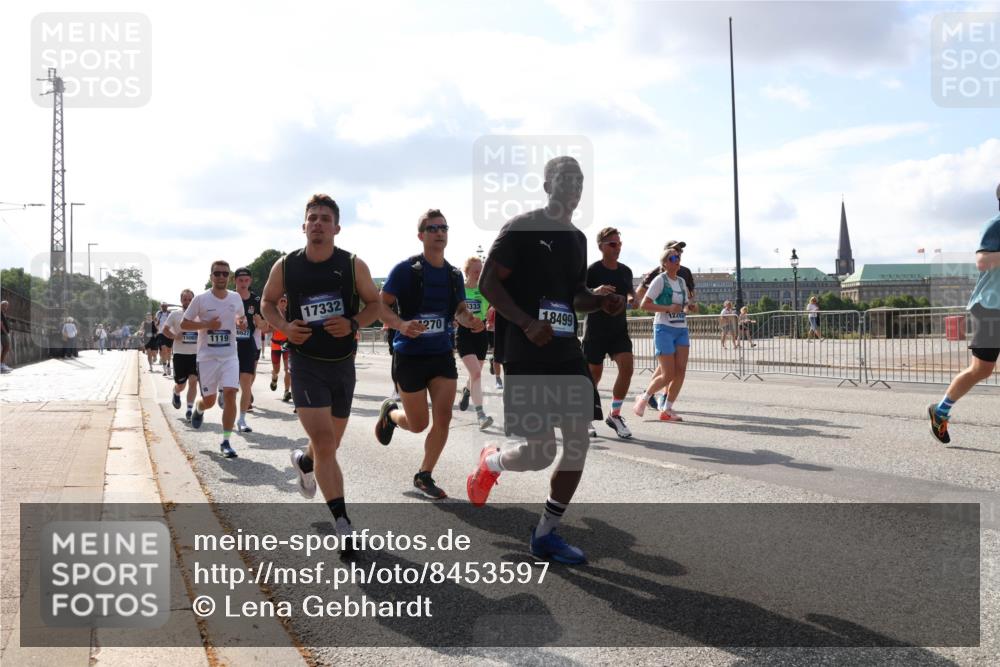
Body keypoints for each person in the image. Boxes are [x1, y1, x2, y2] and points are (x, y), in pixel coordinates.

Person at [468, 156, 624, 564]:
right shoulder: (521, 228)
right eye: (565, 179)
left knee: (577, 443)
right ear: (547, 185)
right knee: (540, 453)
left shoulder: (577, 239)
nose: (574, 187)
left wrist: (600, 302)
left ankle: (545, 534)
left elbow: (574, 295)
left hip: (566, 351)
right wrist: (524, 322)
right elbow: (488, 284)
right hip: (525, 352)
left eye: (579, 181)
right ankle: (493, 462)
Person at [262, 193, 382, 554]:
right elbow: (267, 303)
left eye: (325, 219)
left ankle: (304, 462)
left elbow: (375, 304)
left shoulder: (352, 265)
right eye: (312, 218)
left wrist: (353, 323)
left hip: (342, 364)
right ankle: (343, 524)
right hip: (305, 364)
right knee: (327, 443)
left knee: (328, 446)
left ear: (336, 228)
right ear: (303, 226)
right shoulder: (286, 266)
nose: (318, 223)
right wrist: (285, 326)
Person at [376, 209, 484, 500]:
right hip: (409, 355)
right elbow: (380, 305)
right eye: (433, 228)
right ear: (421, 235)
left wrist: (469, 320)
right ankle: (391, 414)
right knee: (418, 424)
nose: (439, 232)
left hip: (440, 354)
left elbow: (459, 310)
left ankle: (424, 475)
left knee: (444, 417)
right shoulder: (405, 270)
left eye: (444, 228)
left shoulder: (453, 274)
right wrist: (401, 324)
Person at [929, 184, 1000, 444]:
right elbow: (982, 262)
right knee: (981, 370)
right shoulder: (995, 225)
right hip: (991, 306)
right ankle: (940, 411)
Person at [182, 260, 247, 458]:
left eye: (225, 274)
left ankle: (226, 441)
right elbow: (185, 324)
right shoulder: (201, 299)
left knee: (230, 394)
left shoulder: (235, 298)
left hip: (230, 356)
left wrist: (241, 322)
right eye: (217, 273)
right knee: (209, 401)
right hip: (207, 358)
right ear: (211, 276)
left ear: (229, 277)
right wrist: (207, 325)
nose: (221, 277)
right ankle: (199, 407)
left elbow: (240, 317)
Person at [633, 246, 698, 422]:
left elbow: (684, 305)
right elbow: (644, 304)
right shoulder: (660, 280)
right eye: (672, 258)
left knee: (681, 371)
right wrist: (668, 308)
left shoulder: (681, 281)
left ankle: (667, 409)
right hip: (664, 328)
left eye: (678, 257)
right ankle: (644, 397)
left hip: (681, 328)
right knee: (668, 374)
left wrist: (690, 306)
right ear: (664, 263)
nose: (677, 260)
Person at [583, 226, 635, 439]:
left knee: (627, 367)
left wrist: (631, 298)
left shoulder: (625, 271)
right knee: (594, 375)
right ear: (601, 247)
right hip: (596, 330)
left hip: (618, 329)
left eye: (619, 244)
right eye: (613, 244)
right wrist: (594, 292)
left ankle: (614, 415)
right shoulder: (592, 271)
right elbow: (579, 295)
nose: (617, 248)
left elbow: (630, 290)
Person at [456, 256, 495, 431]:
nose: (479, 273)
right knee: (477, 373)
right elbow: (454, 310)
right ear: (467, 272)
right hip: (464, 334)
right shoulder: (460, 290)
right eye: (476, 271)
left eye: (481, 270)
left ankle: (467, 390)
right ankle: (481, 415)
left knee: (475, 374)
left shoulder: (485, 290)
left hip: (481, 334)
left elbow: (495, 306)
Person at [234, 267, 265, 433]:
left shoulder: (257, 300)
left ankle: (242, 419)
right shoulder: (228, 298)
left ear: (250, 281)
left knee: (246, 382)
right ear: (235, 281)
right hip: (229, 345)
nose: (243, 283)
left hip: (247, 344)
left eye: (246, 280)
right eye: (240, 280)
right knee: (231, 385)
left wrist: (260, 323)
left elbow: (266, 326)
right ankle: (222, 390)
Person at [164, 289, 200, 420]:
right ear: (181, 301)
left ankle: (189, 410)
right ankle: (176, 392)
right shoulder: (175, 315)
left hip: (195, 354)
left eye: (190, 299)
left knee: (193, 381)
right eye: (185, 299)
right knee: (181, 385)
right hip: (180, 354)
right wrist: (175, 336)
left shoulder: (199, 315)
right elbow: (165, 330)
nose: (188, 302)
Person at [269, 294, 292, 402]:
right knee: (277, 370)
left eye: (284, 301)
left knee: (287, 369)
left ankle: (286, 392)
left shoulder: (290, 314)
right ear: (277, 303)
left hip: (286, 343)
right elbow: (268, 329)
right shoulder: (274, 314)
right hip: (275, 343)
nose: (283, 303)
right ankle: (274, 377)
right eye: (281, 301)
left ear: (287, 303)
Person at [486, 306, 503, 390]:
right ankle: (498, 379)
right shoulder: (493, 306)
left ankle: (493, 359)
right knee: (497, 356)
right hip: (493, 332)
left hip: (506, 331)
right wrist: (490, 324)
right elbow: (487, 319)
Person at [155, 302, 173, 376]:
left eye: (165, 306)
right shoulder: (158, 313)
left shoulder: (170, 313)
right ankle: (165, 369)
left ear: (167, 307)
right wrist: (157, 324)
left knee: (169, 351)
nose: (164, 307)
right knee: (163, 350)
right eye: (162, 306)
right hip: (161, 333)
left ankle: (168, 364)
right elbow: (156, 323)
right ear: (161, 307)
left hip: (169, 333)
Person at [1, 301, 12, 373]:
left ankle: (2, 364)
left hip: (4, 333)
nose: (6, 307)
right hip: (3, 333)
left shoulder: (2, 313)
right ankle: (1, 365)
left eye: (7, 306)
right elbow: (1, 324)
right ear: (2, 305)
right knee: (6, 348)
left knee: (6, 348)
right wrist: (6, 333)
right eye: (6, 306)